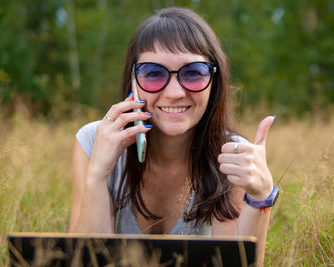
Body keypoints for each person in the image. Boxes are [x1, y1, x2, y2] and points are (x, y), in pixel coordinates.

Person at [69, 7, 278, 265]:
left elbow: (234, 264)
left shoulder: (232, 154)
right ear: (132, 80)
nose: (175, 92)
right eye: (154, 73)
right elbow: (86, 261)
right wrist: (98, 173)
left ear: (215, 82)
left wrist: (261, 195)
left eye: (193, 72)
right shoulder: (93, 141)